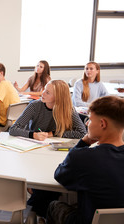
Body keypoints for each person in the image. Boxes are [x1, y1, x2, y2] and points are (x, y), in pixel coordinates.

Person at [9, 80, 86, 219]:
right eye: (44, 89)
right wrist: (33, 134)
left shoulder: (68, 109)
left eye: (47, 92)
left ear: (58, 97)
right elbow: (13, 129)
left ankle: (37, 208)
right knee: (48, 186)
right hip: (34, 152)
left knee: (51, 179)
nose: (42, 93)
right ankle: (41, 210)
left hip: (55, 154)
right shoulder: (35, 106)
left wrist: (53, 133)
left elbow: (82, 133)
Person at [46, 96, 124, 224]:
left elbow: (60, 175)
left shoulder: (83, 157)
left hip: (88, 220)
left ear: (102, 124)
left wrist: (83, 142)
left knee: (54, 206)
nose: (87, 123)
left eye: (90, 119)